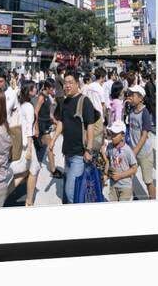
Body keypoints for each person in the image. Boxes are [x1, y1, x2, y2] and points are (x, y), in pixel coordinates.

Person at [49, 71, 97, 204]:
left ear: (77, 84)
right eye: (65, 83)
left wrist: (89, 150)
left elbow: (91, 126)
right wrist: (53, 140)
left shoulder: (84, 101)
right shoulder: (65, 102)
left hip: (79, 154)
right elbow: (61, 122)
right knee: (69, 189)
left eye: (70, 83)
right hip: (67, 152)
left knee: (71, 192)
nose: (67, 86)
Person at [10, 81, 41, 206]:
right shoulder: (28, 106)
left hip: (21, 140)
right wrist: (29, 147)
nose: (36, 90)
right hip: (27, 142)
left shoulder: (21, 104)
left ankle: (28, 200)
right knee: (33, 170)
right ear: (29, 91)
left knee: (29, 170)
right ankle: (28, 201)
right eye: (34, 88)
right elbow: (29, 127)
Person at [128, 84, 156, 199]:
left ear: (140, 98)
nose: (130, 97)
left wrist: (134, 151)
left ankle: (153, 199)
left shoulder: (144, 113)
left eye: (133, 95)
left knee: (148, 180)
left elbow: (144, 135)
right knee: (128, 176)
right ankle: (131, 196)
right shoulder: (131, 110)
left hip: (144, 153)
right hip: (133, 151)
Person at [34, 78, 62, 179]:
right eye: (51, 88)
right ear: (46, 88)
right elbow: (36, 112)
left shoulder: (48, 96)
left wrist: (54, 120)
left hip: (46, 124)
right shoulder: (41, 97)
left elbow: (48, 111)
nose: (53, 90)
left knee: (44, 146)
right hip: (41, 125)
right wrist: (36, 128)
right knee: (50, 145)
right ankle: (53, 169)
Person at [104, 120, 137, 202]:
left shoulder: (127, 150)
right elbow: (108, 160)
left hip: (125, 186)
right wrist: (105, 173)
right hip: (113, 185)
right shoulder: (110, 147)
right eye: (111, 133)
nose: (112, 136)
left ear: (122, 135)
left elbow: (134, 168)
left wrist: (120, 175)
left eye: (115, 134)